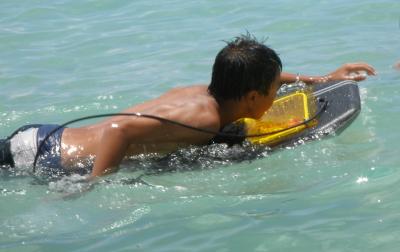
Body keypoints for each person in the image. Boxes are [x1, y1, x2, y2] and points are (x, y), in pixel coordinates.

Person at [0, 34, 376, 178]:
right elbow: (120, 129)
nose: (277, 92)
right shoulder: (203, 116)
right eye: (271, 88)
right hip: (46, 158)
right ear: (250, 96)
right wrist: (93, 184)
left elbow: (272, 78)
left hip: (45, 135)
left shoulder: (209, 91)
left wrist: (320, 79)